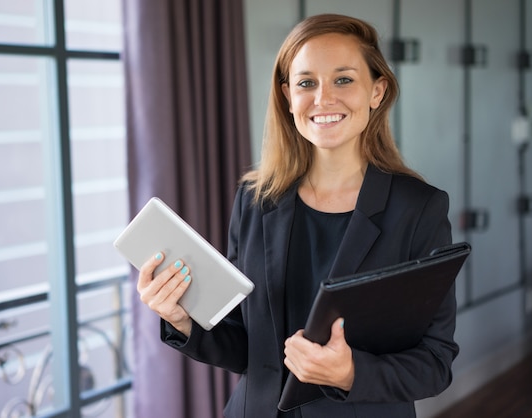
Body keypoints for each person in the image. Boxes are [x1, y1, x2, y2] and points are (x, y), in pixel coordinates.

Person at [136, 13, 458, 418]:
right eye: (306, 83)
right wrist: (182, 318)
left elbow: (435, 362)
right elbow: (249, 350)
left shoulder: (419, 208)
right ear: (288, 96)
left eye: (343, 79)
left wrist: (350, 373)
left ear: (377, 91)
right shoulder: (254, 199)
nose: (323, 98)